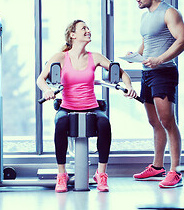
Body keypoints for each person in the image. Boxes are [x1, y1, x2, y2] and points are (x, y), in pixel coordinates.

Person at [37, 19, 138, 193]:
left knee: (104, 124)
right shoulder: (60, 57)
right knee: (60, 124)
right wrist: (46, 90)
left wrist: (129, 86)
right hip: (67, 106)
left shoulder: (95, 57)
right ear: (72, 35)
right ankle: (62, 174)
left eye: (88, 28)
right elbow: (41, 79)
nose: (88, 30)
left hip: (91, 106)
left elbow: (122, 73)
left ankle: (101, 173)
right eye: (83, 28)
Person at [130, 0, 184, 188]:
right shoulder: (146, 17)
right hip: (148, 72)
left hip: (164, 72)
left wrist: (159, 59)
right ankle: (157, 167)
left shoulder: (169, 12)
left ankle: (176, 171)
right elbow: (148, 41)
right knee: (154, 122)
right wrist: (135, 55)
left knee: (167, 122)